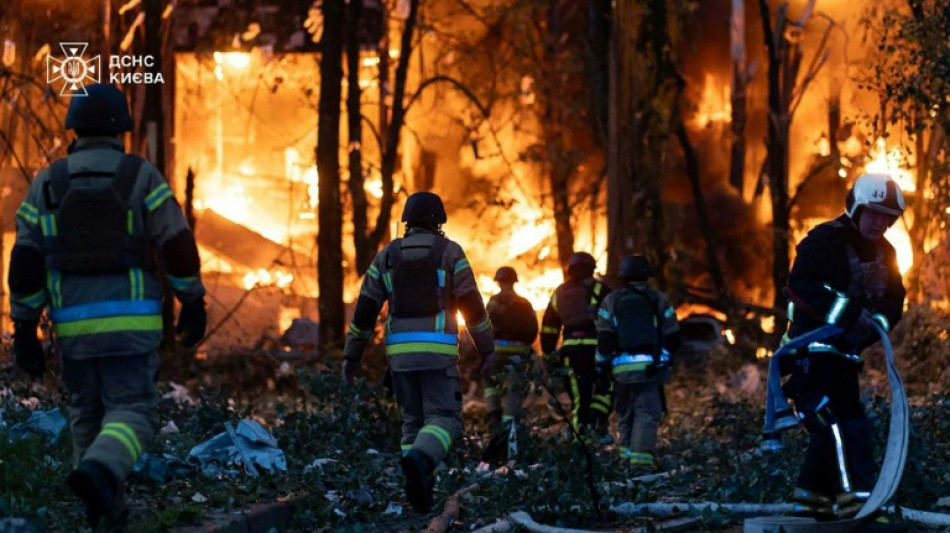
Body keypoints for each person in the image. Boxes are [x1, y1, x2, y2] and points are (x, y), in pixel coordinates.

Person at [8, 83, 207, 530]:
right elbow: (175, 243)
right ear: (121, 130)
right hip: (130, 327)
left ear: (73, 129)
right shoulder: (140, 176)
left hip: (74, 329)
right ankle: (99, 471)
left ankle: (105, 511)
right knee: (133, 411)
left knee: (88, 413)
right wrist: (191, 299)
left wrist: (24, 327)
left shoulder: (49, 182)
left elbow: (25, 259)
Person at [342, 191, 494, 513]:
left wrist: (351, 355)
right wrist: (487, 349)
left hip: (400, 356)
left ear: (406, 222)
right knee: (446, 419)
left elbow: (365, 309)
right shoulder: (450, 252)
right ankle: (420, 462)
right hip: (437, 354)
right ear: (439, 222)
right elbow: (472, 304)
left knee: (412, 422)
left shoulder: (387, 256)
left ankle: (419, 491)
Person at [781, 173, 905, 517]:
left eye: (887, 216)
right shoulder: (824, 241)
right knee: (837, 425)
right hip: (809, 353)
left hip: (844, 357)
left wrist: (876, 326)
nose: (880, 222)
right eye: (874, 213)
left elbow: (894, 300)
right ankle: (856, 501)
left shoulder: (886, 253)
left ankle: (811, 500)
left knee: (843, 424)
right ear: (856, 208)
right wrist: (848, 313)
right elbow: (801, 286)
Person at [595, 255, 680, 470]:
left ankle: (625, 460)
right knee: (646, 413)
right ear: (646, 276)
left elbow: (604, 339)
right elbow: (673, 336)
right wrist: (666, 360)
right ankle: (640, 465)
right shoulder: (658, 299)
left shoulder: (611, 301)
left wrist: (600, 367)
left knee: (625, 415)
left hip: (621, 371)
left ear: (622, 277)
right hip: (649, 369)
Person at [540, 252, 612, 436]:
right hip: (598, 351)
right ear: (592, 269)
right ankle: (595, 424)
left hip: (571, 353)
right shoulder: (602, 289)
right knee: (606, 389)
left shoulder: (559, 293)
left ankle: (580, 443)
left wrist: (549, 355)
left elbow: (549, 327)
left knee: (580, 399)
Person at [481, 266, 538, 462]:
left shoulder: (494, 302)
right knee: (514, 394)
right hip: (519, 354)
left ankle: (494, 415)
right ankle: (509, 433)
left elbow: (485, 326)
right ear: (514, 281)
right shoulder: (525, 303)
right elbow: (533, 330)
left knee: (489, 383)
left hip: (496, 353)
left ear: (498, 281)